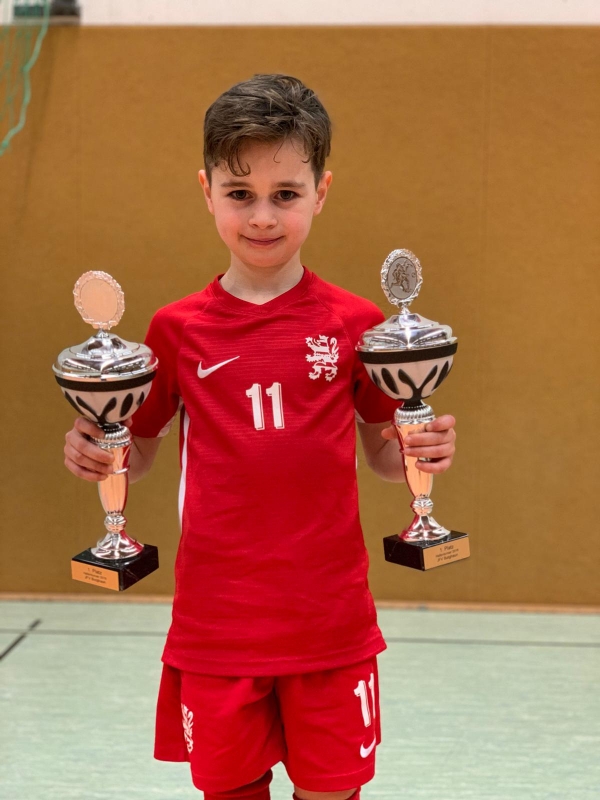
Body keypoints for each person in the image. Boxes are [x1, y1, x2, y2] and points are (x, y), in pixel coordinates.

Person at [63, 74, 457, 800]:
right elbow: (137, 455)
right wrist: (97, 450)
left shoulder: (358, 324)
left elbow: (381, 453)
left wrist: (420, 449)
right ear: (207, 190)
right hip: (218, 625)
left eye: (286, 193)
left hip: (329, 622)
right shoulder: (174, 330)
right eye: (240, 193)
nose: (263, 216)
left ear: (321, 191)